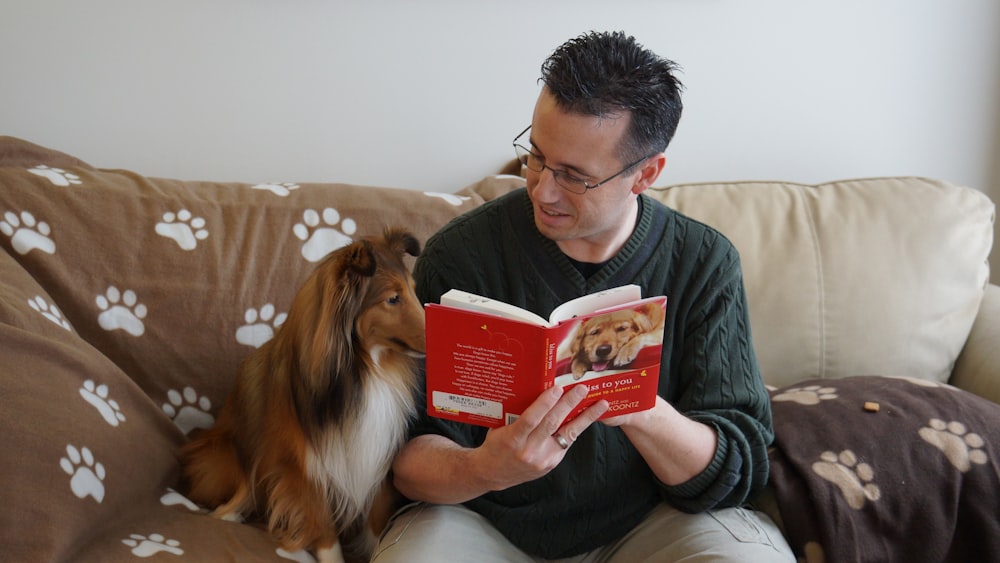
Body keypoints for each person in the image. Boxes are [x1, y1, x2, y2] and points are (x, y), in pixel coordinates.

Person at [372, 31, 793, 562]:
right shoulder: (461, 256)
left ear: (645, 174)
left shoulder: (703, 262)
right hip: (483, 519)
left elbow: (739, 466)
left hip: (648, 522)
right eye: (536, 156)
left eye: (573, 176)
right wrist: (485, 468)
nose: (541, 190)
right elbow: (401, 458)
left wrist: (640, 409)